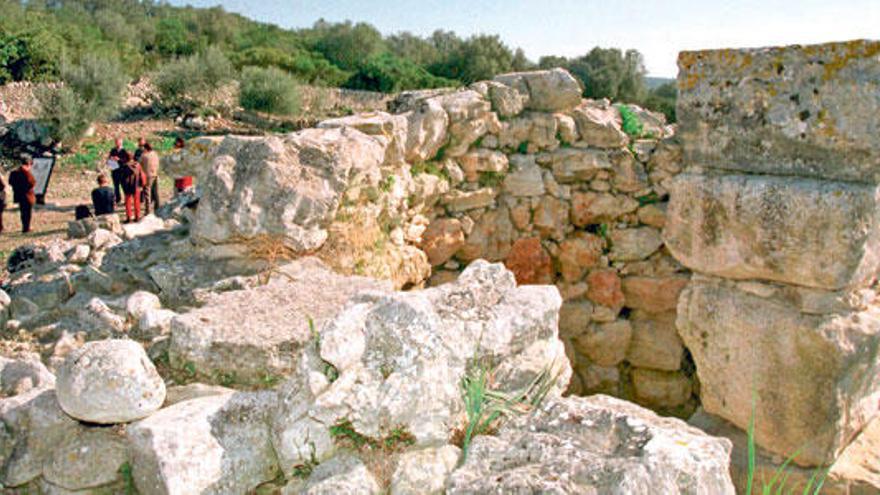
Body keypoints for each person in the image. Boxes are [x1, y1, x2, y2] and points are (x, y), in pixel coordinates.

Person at [9, 156, 36, 233]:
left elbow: (10, 182)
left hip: (19, 195)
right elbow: (32, 182)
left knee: (23, 212)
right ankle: (26, 228)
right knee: (27, 213)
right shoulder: (25, 173)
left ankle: (25, 227)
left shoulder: (14, 172)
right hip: (27, 195)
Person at [118, 150, 146, 223]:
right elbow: (141, 175)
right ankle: (137, 217)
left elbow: (121, 177)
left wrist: (122, 184)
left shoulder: (124, 166)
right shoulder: (138, 165)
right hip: (136, 185)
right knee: (137, 202)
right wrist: (142, 184)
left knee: (128, 202)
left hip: (127, 186)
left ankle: (129, 218)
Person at [139, 142, 160, 214]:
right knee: (155, 192)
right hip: (155, 174)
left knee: (147, 193)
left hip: (147, 175)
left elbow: (139, 164)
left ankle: (148, 210)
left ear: (145, 148)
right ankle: (157, 207)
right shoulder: (155, 154)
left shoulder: (144, 156)